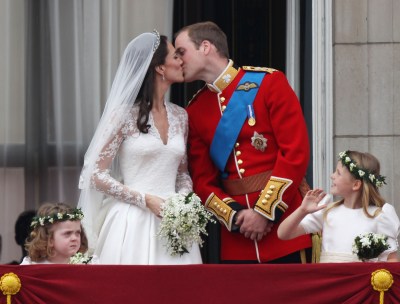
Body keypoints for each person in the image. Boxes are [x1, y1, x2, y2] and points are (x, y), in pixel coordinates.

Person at [174, 21, 311, 263]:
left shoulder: (269, 83)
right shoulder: (195, 110)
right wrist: (236, 217)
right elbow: (203, 182)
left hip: (285, 228)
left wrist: (264, 212)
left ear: (205, 47)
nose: (177, 60)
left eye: (181, 51)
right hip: (238, 239)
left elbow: (295, 153)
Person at [77, 31, 202, 264]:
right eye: (176, 56)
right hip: (132, 221)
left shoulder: (180, 116)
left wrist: (182, 203)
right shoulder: (123, 115)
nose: (182, 61)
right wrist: (145, 200)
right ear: (160, 68)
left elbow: (182, 174)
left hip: (174, 224)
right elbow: (94, 174)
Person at [278, 150, 400, 262]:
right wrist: (302, 210)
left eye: (338, 173)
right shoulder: (327, 210)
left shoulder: (380, 215)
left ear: (356, 185)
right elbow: (283, 234)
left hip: (361, 284)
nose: (332, 175)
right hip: (329, 282)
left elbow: (391, 259)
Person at [20, 202, 90, 264]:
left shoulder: (88, 264)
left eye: (78, 233)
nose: (74, 238)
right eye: (67, 233)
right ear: (48, 238)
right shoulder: (32, 265)